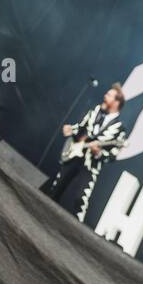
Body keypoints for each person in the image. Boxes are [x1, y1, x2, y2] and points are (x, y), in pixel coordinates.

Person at [43, 82, 128, 223]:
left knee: (80, 199)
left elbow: (112, 156)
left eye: (109, 95)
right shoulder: (95, 111)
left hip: (91, 165)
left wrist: (98, 152)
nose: (105, 96)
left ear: (116, 102)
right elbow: (81, 127)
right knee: (55, 188)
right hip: (74, 155)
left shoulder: (120, 129)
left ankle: (76, 233)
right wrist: (71, 129)